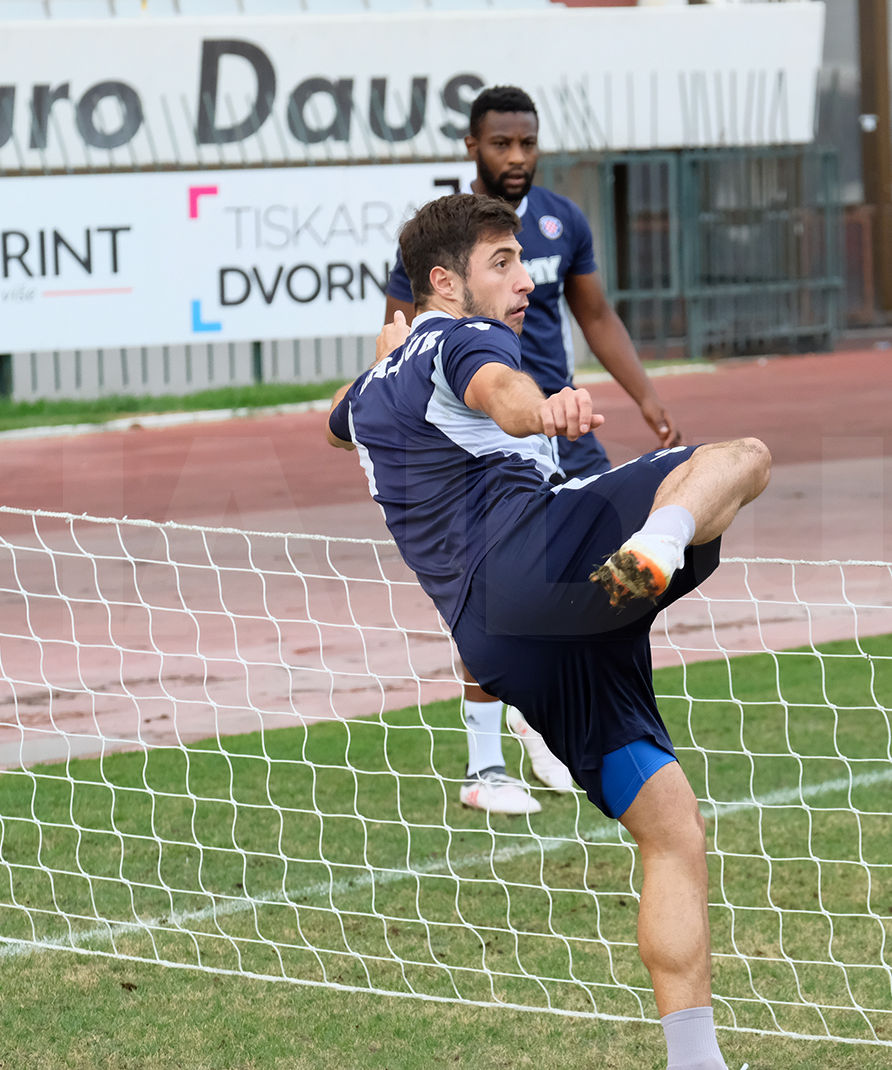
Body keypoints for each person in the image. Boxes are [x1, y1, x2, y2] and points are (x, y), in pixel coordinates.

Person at [329, 193, 769, 1070]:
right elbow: (498, 389)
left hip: (500, 639)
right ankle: (656, 544)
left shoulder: (376, 386)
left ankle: (697, 1061)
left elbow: (340, 423)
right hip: (537, 562)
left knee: (672, 828)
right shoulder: (463, 338)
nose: (524, 280)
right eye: (502, 262)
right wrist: (545, 412)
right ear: (446, 282)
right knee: (739, 458)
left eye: (522, 259)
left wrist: (382, 355)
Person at [384, 84, 686, 814]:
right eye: (501, 143)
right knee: (493, 593)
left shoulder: (560, 221)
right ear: (472, 147)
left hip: (567, 427)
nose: (516, 157)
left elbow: (596, 312)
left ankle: (561, 710)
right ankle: (488, 764)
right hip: (486, 439)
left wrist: (644, 395)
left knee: (614, 567)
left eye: (527, 142)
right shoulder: (444, 241)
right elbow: (398, 341)